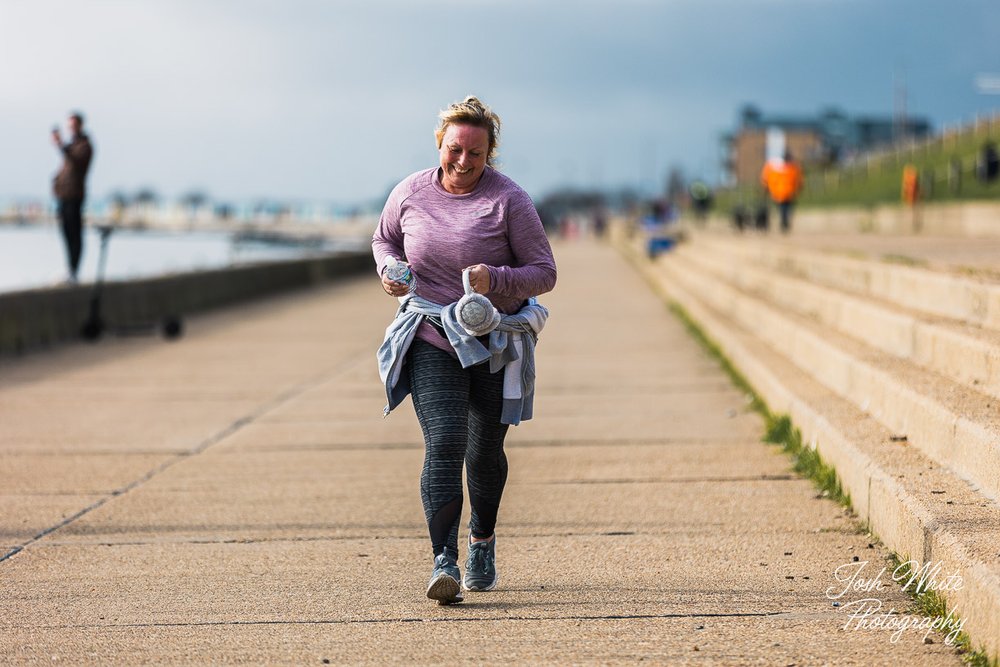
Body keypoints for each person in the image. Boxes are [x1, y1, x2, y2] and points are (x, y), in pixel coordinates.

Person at [373, 96, 557, 605]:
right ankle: (443, 561)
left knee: (483, 450)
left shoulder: (510, 201)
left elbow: (545, 272)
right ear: (440, 143)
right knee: (446, 441)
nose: (463, 161)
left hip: (494, 338)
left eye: (475, 154)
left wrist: (493, 277)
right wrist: (391, 272)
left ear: (489, 153)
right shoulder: (410, 192)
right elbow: (384, 240)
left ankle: (481, 540)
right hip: (431, 334)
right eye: (455, 149)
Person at [51, 112, 94, 282]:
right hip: (63, 196)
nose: (71, 128)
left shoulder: (85, 145)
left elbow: (76, 161)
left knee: (75, 234)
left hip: (75, 196)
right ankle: (70, 269)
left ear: (80, 125)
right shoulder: (73, 145)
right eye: (69, 125)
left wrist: (61, 145)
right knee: (66, 233)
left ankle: (74, 271)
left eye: (73, 125)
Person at [760, 150, 802, 233]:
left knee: (783, 209)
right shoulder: (793, 167)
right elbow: (798, 180)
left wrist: (766, 187)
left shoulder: (774, 167)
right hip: (788, 193)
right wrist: (798, 189)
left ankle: (784, 223)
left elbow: (766, 178)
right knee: (786, 209)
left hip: (778, 193)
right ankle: (784, 223)